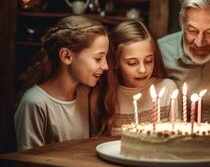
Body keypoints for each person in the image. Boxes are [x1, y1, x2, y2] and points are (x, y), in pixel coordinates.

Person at [14, 16, 109, 151]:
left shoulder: (86, 95)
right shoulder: (35, 103)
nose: (106, 66)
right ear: (66, 56)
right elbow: (29, 164)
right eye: (98, 58)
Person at [90, 21, 178, 136]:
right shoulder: (101, 96)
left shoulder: (167, 89)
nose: (142, 69)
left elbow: (177, 140)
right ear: (115, 62)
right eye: (132, 63)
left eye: (148, 60)